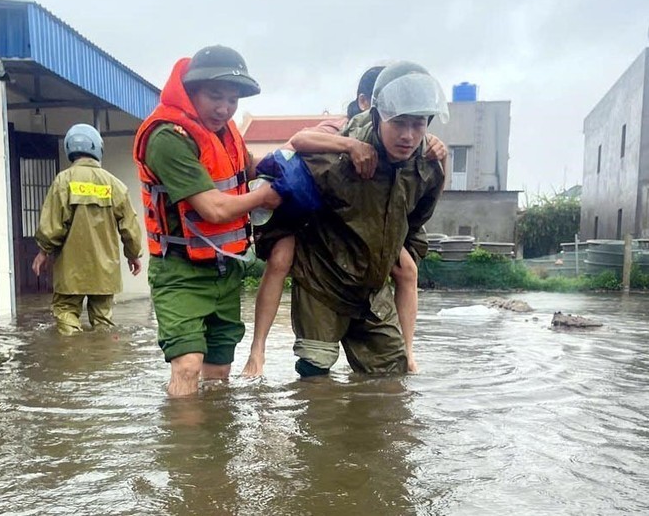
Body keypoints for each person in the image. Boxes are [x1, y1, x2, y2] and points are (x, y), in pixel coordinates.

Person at [241, 66, 447, 377]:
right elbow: (284, 176)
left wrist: (396, 254)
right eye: (399, 124)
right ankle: (258, 353)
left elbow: (415, 222)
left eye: (418, 125)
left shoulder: (427, 166)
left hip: (371, 290)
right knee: (315, 380)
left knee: (393, 382)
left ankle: (407, 353)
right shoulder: (339, 155)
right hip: (324, 282)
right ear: (377, 115)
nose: (408, 136)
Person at [132, 45, 283, 398]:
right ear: (191, 90)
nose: (224, 108)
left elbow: (249, 166)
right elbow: (212, 208)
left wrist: (296, 161)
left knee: (219, 371)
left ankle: (214, 448)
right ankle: (184, 451)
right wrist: (264, 197)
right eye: (215, 96)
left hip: (225, 269)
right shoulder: (167, 137)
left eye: (232, 99)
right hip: (180, 270)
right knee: (187, 365)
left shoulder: (226, 130)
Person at [32, 123, 143, 336]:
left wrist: (43, 252)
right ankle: (102, 360)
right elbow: (130, 227)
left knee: (65, 312)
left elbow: (52, 225)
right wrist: (133, 254)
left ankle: (74, 360)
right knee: (103, 321)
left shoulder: (63, 182)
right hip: (105, 269)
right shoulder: (115, 185)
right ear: (97, 148)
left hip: (70, 268)